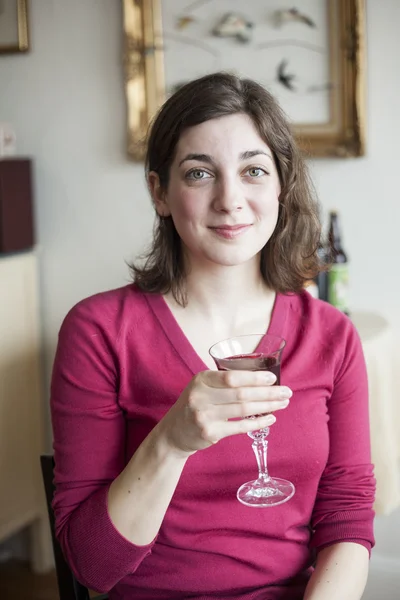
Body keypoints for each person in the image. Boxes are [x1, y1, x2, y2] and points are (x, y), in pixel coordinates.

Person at [50, 72, 375, 600]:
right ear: (160, 192)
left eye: (253, 171)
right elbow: (92, 565)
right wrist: (172, 442)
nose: (230, 199)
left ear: (281, 188)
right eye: (199, 173)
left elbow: (347, 518)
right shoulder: (98, 331)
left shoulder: (333, 335)